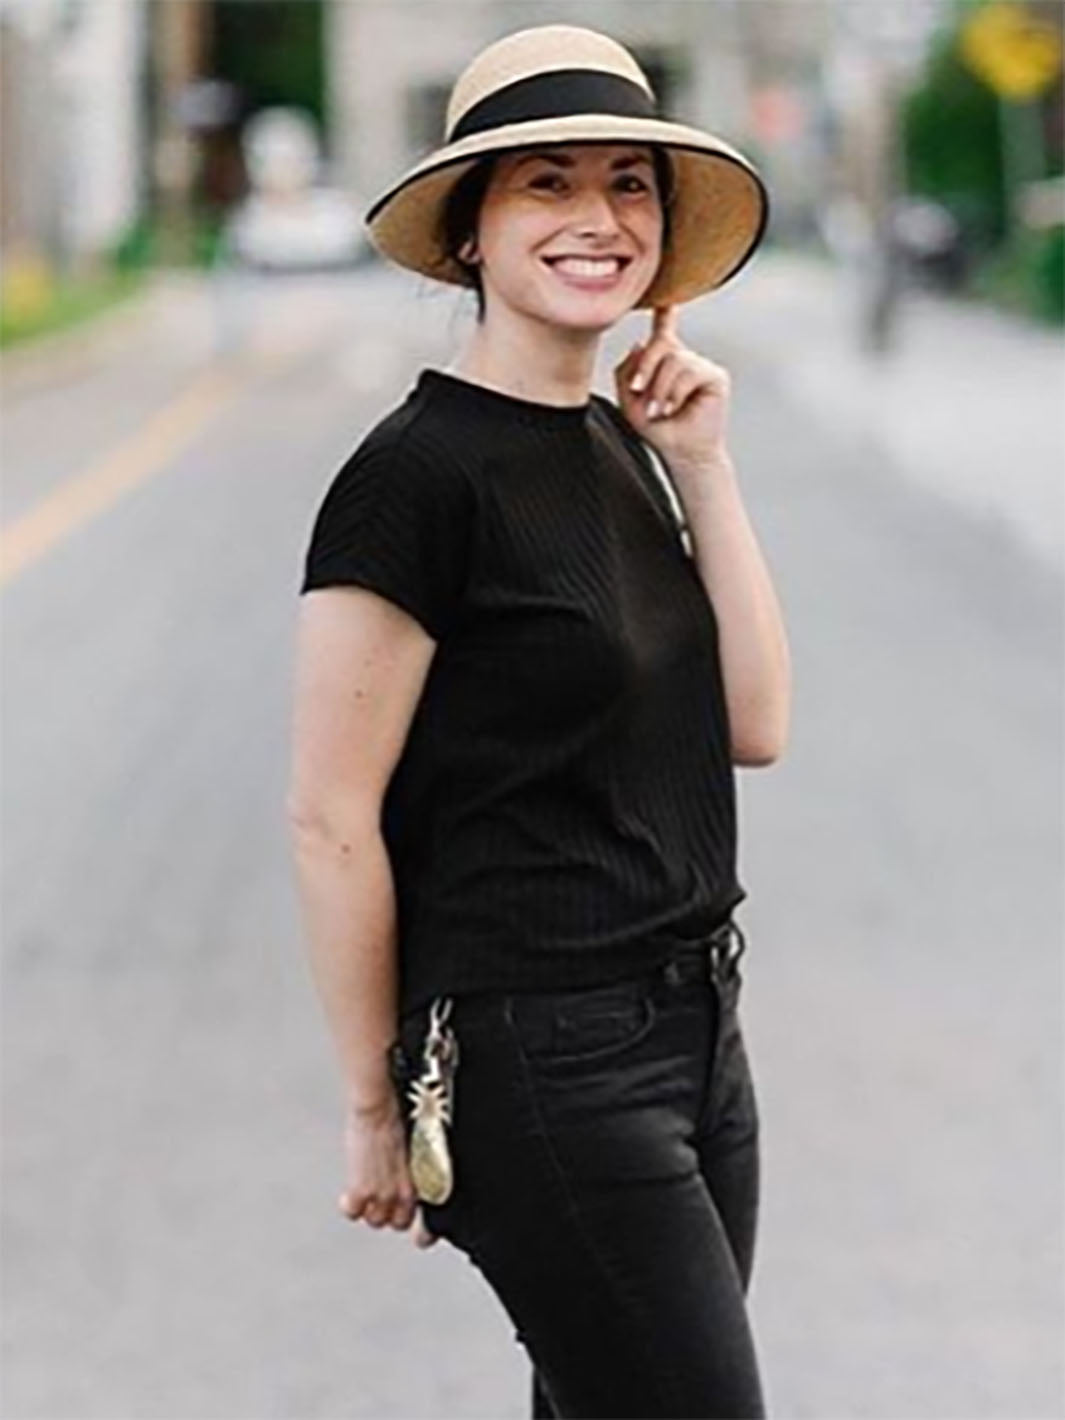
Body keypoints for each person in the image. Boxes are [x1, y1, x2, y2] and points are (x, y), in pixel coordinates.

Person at [287, 23, 790, 1420]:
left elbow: (749, 722)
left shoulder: (623, 441)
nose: (599, 219)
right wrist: (374, 1102)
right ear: (470, 232)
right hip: (540, 1061)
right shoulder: (412, 480)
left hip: (695, 1030)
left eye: (628, 184)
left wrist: (705, 466)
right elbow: (329, 817)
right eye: (547, 184)